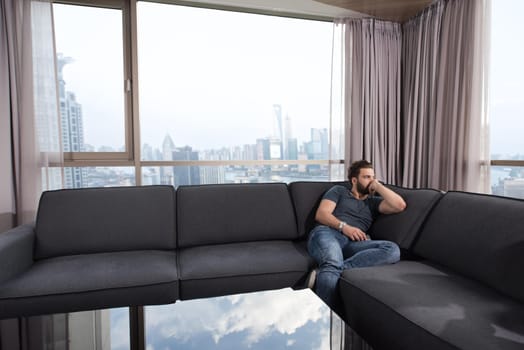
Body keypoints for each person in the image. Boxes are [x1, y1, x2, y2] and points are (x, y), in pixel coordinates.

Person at [307, 160, 406, 312]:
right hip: (328, 233)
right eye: (366, 177)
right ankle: (331, 316)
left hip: (354, 244)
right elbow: (321, 214)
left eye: (373, 177)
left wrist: (378, 186)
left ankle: (330, 271)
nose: (371, 180)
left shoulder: (373, 203)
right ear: (354, 180)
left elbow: (399, 205)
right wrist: (344, 227)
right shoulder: (338, 191)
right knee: (332, 261)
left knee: (392, 250)